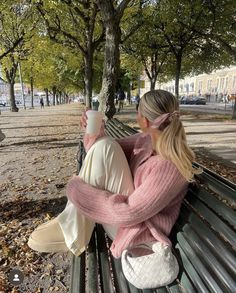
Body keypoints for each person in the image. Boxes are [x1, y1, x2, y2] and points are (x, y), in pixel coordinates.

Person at [28, 90, 200, 288]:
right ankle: (71, 224)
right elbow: (101, 150)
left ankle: (72, 229)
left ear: (143, 120)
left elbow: (130, 213)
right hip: (124, 217)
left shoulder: (168, 167)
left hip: (135, 229)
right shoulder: (145, 141)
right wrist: (94, 130)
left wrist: (76, 189)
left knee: (106, 147)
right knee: (105, 145)